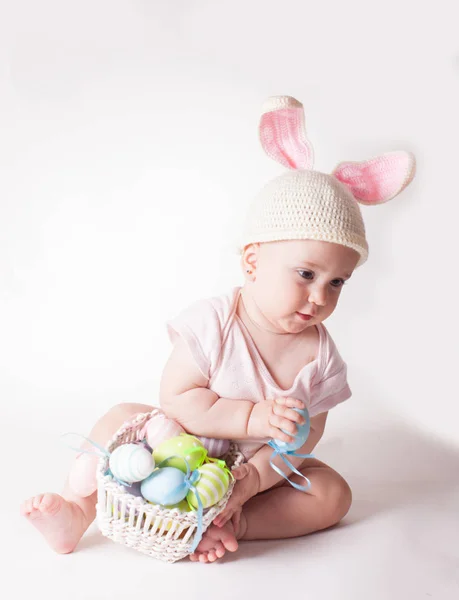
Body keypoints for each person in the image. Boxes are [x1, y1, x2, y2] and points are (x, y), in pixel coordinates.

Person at [21, 95, 416, 563]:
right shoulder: (215, 321)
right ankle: (78, 510)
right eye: (306, 274)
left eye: (337, 283)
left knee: (332, 493)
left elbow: (305, 440)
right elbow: (178, 398)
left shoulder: (321, 359)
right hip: (172, 447)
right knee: (119, 416)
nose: (320, 297)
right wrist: (253, 419)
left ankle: (235, 524)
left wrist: (251, 483)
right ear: (253, 260)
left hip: (250, 472)